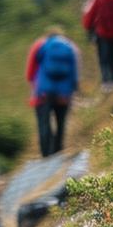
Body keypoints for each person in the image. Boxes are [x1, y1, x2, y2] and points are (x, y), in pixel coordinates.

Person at [25, 27, 81, 157]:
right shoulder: (71, 48)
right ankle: (58, 152)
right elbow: (75, 73)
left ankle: (46, 155)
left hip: (44, 91)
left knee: (44, 123)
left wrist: (35, 86)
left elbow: (29, 74)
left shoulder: (40, 45)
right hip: (64, 93)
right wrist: (72, 90)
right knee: (61, 123)